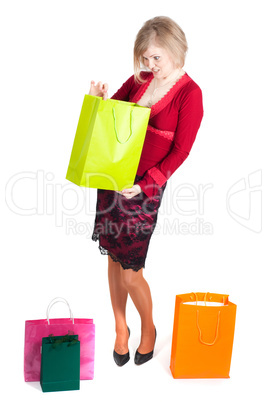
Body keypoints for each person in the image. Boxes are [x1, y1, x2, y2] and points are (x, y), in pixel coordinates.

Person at [89, 16, 203, 366]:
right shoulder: (141, 81)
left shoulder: (189, 93)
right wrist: (98, 100)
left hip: (143, 191)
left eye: (157, 57)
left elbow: (181, 151)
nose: (151, 65)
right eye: (145, 58)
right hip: (113, 179)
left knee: (131, 271)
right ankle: (121, 329)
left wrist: (145, 184)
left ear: (174, 50)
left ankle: (148, 328)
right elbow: (110, 117)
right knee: (111, 255)